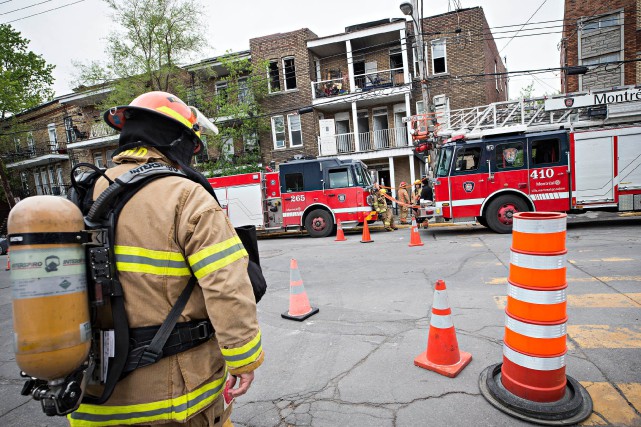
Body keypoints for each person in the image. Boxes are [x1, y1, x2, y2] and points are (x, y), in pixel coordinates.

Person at [68, 91, 264, 427]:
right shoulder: (185, 194)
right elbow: (227, 284)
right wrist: (245, 359)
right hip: (171, 401)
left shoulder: (86, 192)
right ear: (180, 141)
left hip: (92, 400)